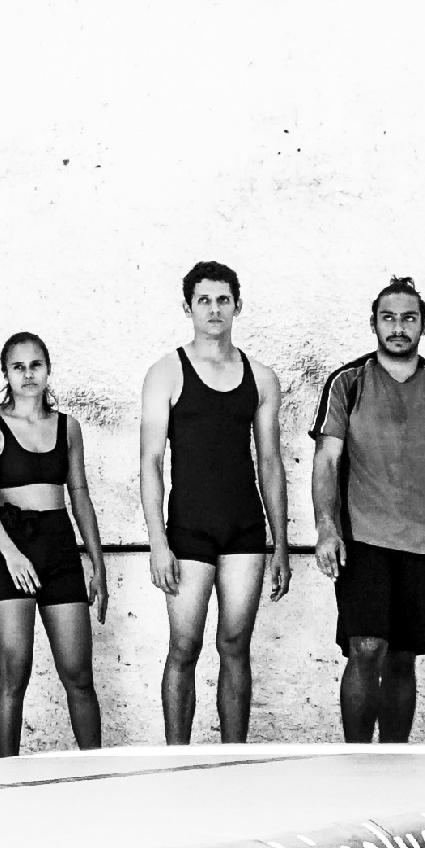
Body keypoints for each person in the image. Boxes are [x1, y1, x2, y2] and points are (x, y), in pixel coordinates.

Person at [311, 279, 425, 745]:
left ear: (423, 325)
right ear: (374, 323)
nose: (398, 327)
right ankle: (357, 760)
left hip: (421, 544)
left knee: (402, 658)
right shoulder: (348, 382)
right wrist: (326, 527)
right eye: (388, 318)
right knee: (366, 647)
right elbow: (327, 460)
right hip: (361, 540)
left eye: (408, 318)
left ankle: (395, 761)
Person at [137, 264, 296, 743]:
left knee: (235, 645)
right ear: (188, 307)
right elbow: (150, 461)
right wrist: (158, 542)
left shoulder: (261, 377)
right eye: (203, 300)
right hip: (188, 530)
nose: (213, 309)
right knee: (184, 647)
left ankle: (234, 761)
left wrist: (281, 544)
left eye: (222, 300)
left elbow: (270, 463)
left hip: (244, 528)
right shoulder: (166, 372)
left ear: (237, 306)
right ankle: (177, 761)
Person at [0, 332, 108, 756]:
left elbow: (79, 495)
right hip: (10, 549)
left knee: (78, 675)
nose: (28, 374)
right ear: (6, 373)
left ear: (48, 370)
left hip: (59, 548)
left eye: (36, 365)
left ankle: (95, 771)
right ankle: (8, 775)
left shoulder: (68, 427)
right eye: (18, 366)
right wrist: (12, 555)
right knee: (15, 672)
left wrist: (97, 564)